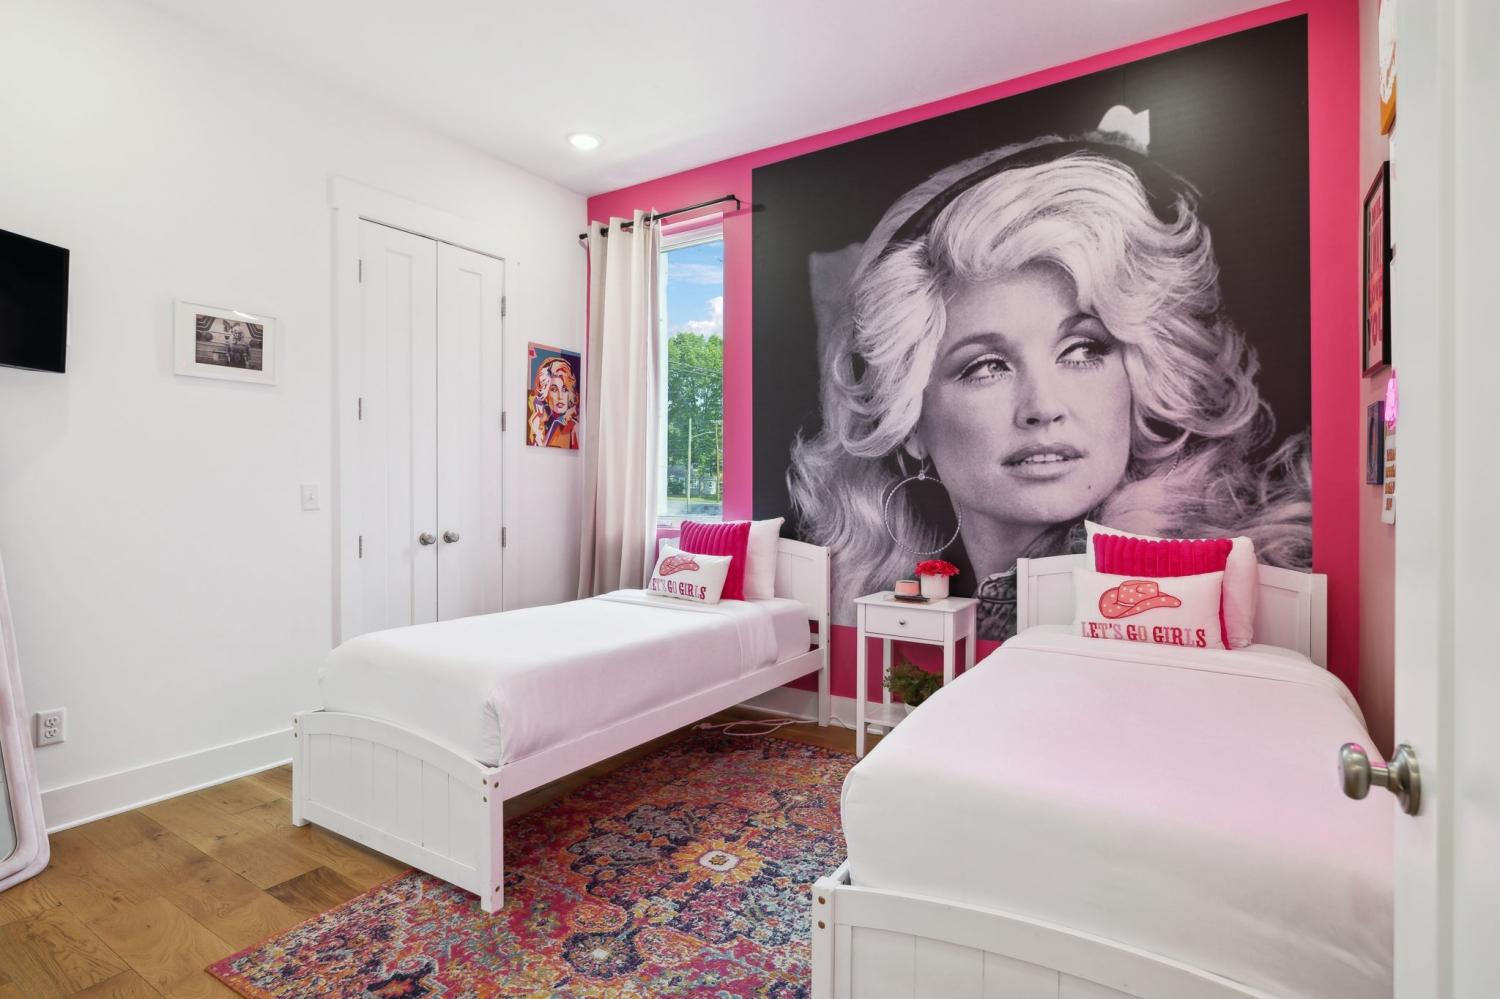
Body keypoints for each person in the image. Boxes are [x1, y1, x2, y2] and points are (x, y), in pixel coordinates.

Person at [787, 130, 1310, 641]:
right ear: (909, 425)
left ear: (1140, 378)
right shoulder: (881, 590)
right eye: (985, 367)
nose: (1043, 406)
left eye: (1083, 351)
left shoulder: (1226, 576)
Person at [529, 356, 579, 449]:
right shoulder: (540, 423)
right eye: (554, 389)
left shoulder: (574, 427)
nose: (560, 396)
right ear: (545, 393)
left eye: (565, 389)